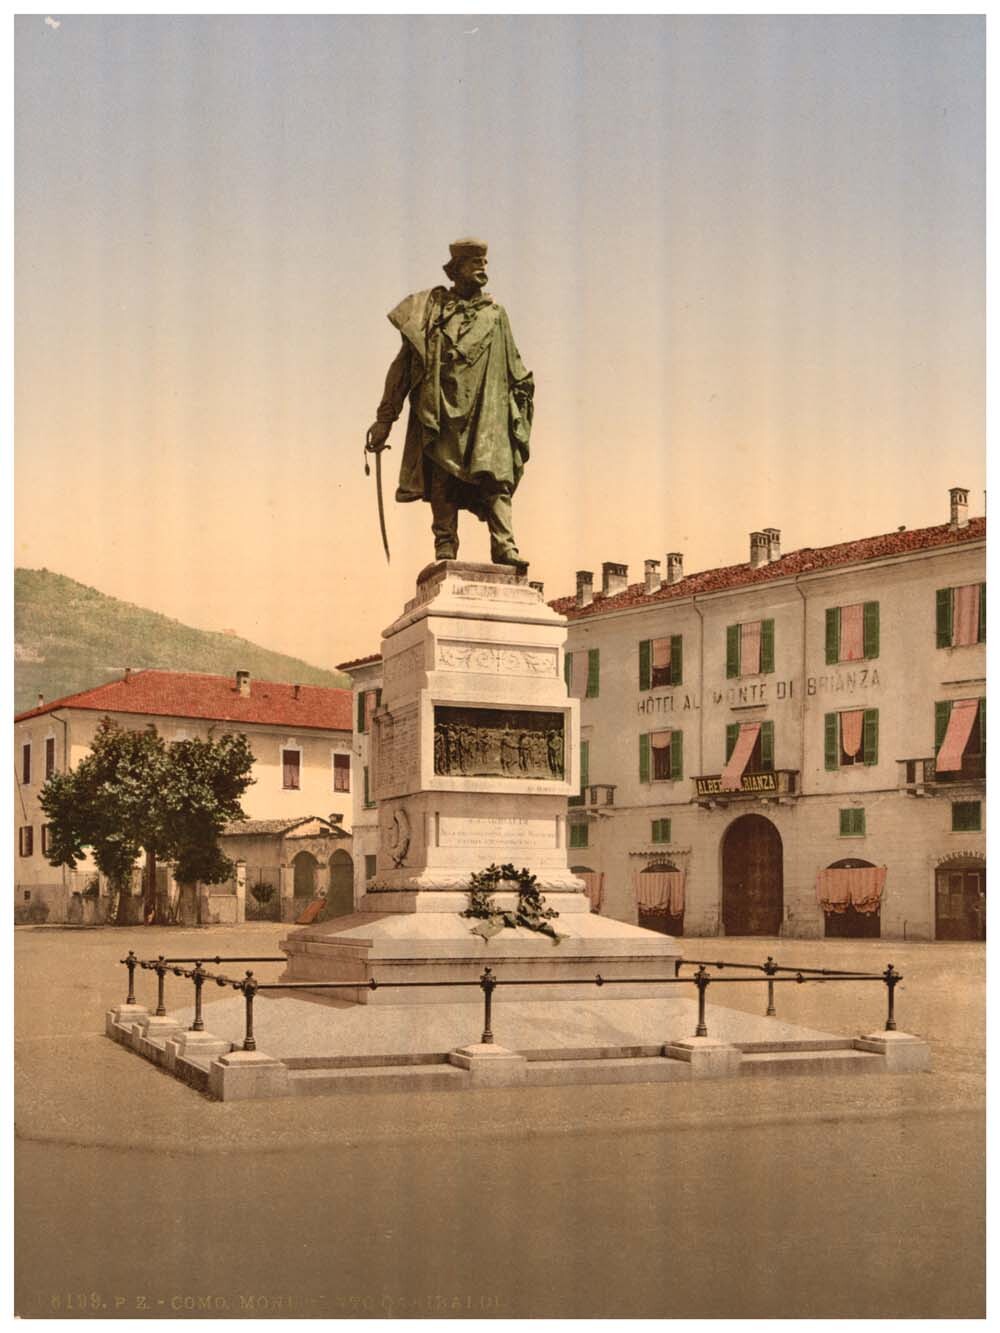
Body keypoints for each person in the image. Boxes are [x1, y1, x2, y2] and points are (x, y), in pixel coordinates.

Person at [366, 238, 534, 568]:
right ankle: (445, 546)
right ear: (456, 270)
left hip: (486, 411)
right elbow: (403, 366)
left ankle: (504, 546)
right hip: (440, 409)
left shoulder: (496, 316)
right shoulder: (430, 312)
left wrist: (519, 406)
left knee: (495, 475)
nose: (482, 267)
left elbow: (516, 367)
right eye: (474, 262)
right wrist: (385, 418)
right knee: (441, 477)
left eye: (484, 262)